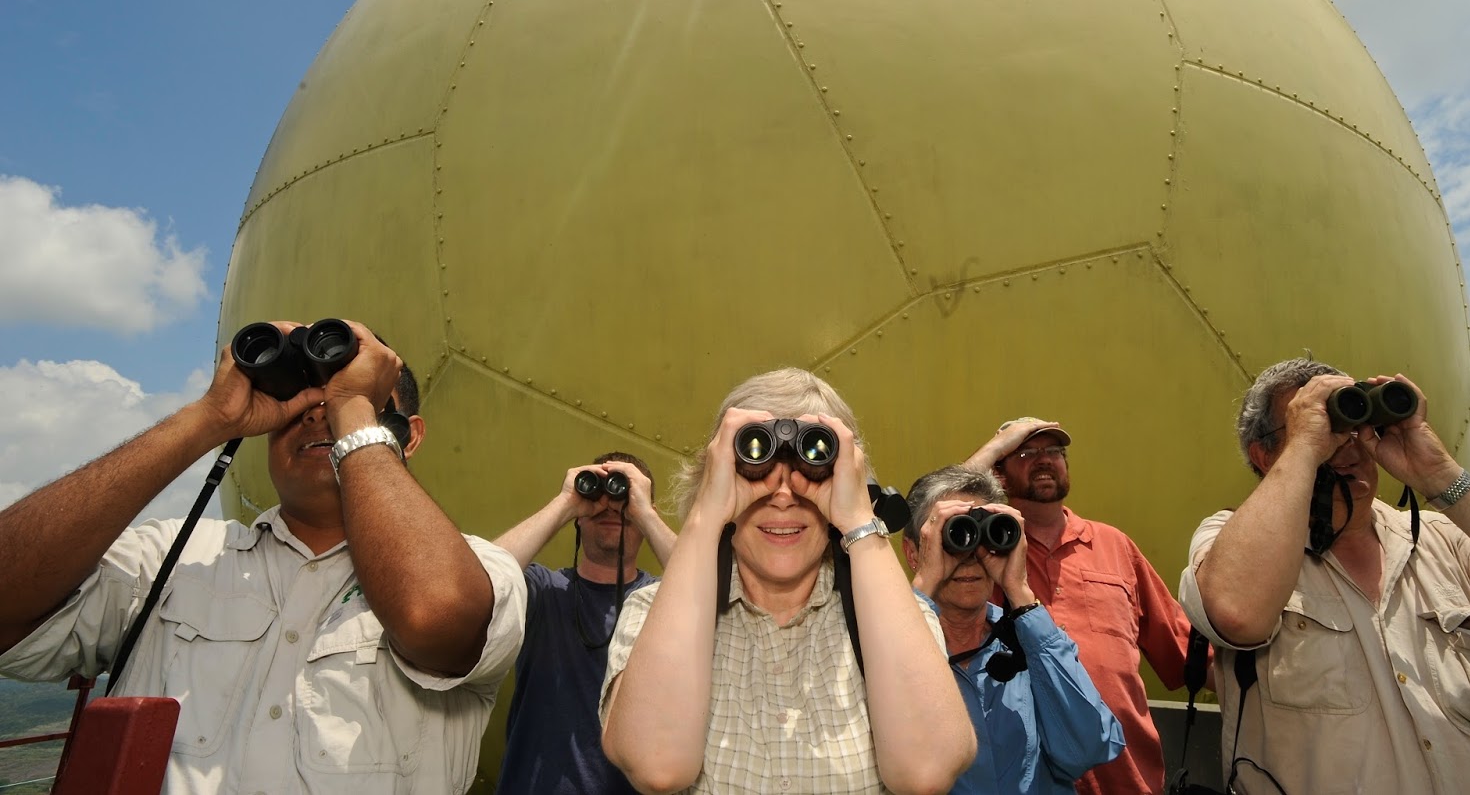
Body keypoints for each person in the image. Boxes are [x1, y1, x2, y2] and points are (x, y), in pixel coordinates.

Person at [0, 320, 526, 795]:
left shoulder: (480, 570)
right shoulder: (174, 557)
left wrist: (354, 412)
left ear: (406, 437)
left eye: (342, 404)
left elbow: (433, 619)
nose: (318, 416)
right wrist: (209, 419)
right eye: (298, 405)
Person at [1179, 358, 1470, 794]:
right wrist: (1305, 445)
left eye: (1353, 421)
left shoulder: (1447, 541)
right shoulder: (1229, 541)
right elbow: (1237, 612)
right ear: (1264, 455)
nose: (1346, 445)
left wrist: (1440, 475)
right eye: (1323, 428)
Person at [600, 367, 976, 795]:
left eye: (813, 465)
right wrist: (707, 514)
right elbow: (657, 765)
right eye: (755, 467)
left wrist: (857, 517)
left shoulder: (895, 617)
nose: (782, 495)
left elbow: (926, 771)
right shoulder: (653, 611)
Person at [966, 418, 1191, 795]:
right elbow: (936, 511)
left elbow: (1186, 654)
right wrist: (993, 448)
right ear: (998, 474)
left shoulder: (1114, 545)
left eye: (1054, 451)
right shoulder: (980, 554)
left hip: (1128, 779)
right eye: (1025, 452)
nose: (1044, 460)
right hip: (1029, 782)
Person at [902, 464, 1125, 794]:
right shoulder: (885, 646)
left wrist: (1019, 590)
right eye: (954, 536)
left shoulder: (1030, 641)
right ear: (913, 552)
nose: (970, 557)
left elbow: (1088, 749)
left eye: (984, 536)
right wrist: (923, 587)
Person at [493, 451, 677, 795]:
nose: (610, 507)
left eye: (623, 496)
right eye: (598, 495)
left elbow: (710, 598)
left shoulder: (662, 602)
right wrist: (566, 503)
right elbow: (481, 578)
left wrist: (644, 513)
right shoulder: (544, 591)